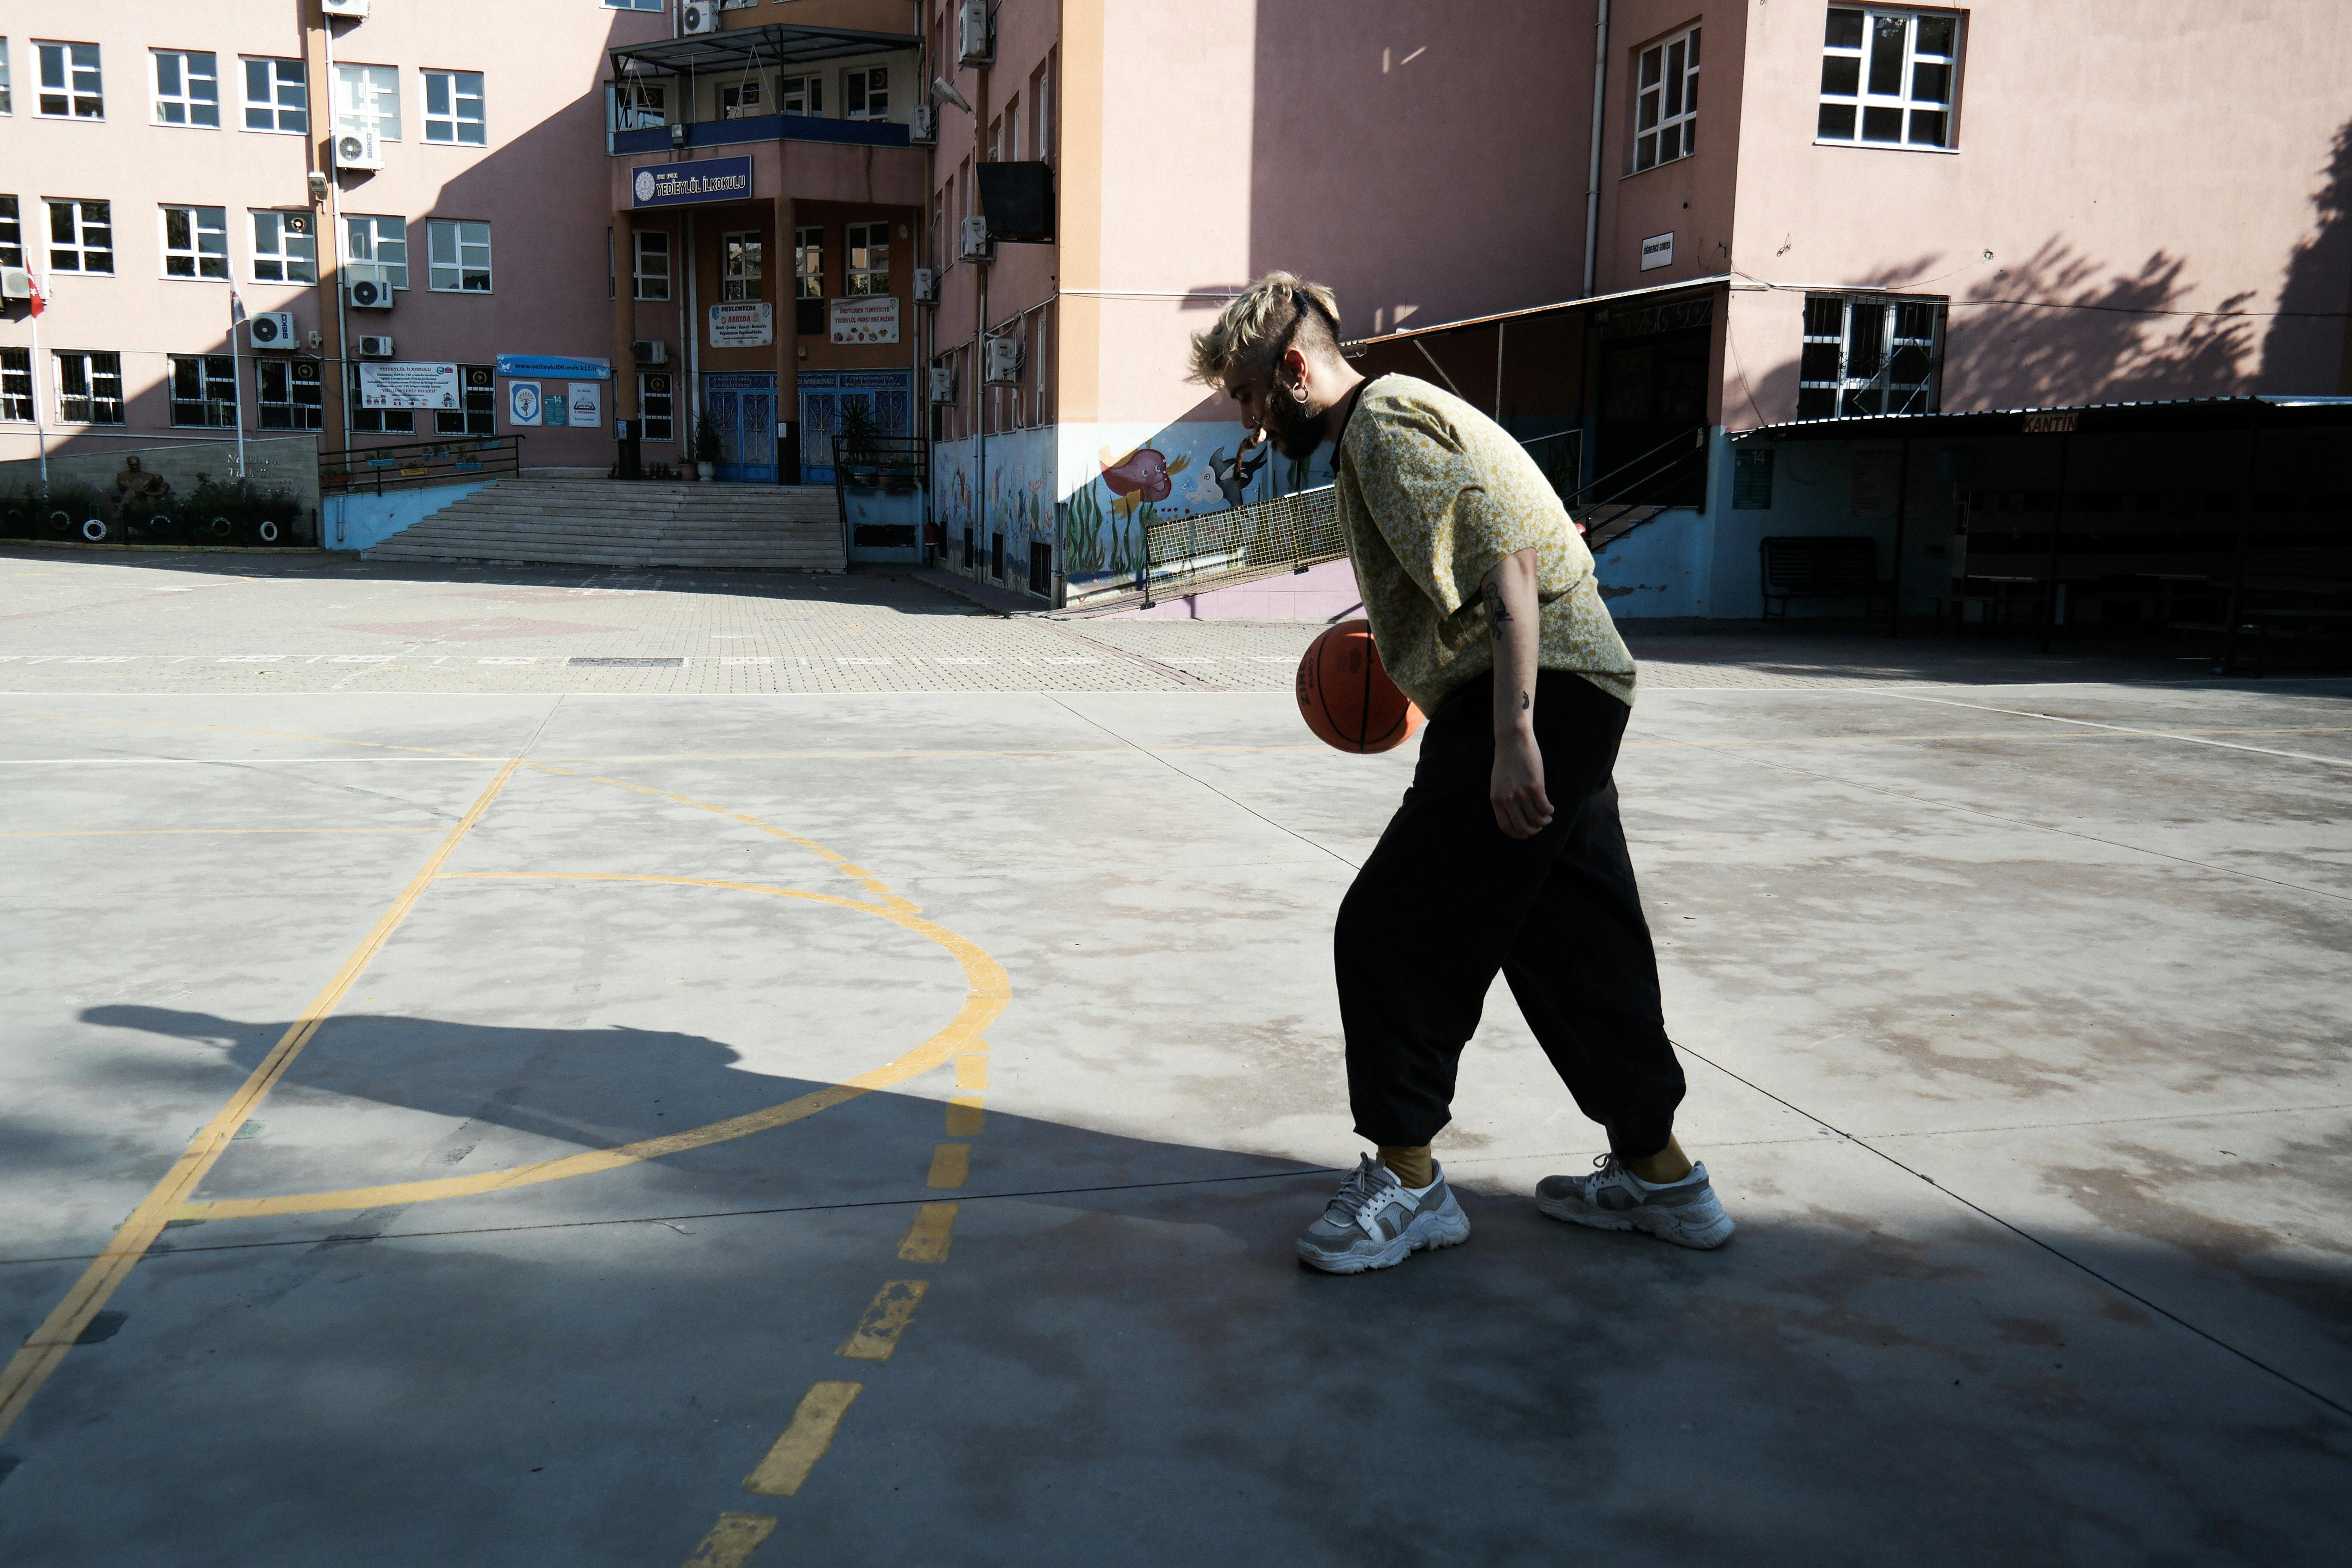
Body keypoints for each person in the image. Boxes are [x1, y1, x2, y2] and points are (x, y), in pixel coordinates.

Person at [1186, 273, 1734, 1273]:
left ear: (1295, 370)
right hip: (1574, 684)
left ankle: (1408, 1182)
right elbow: (1519, 543)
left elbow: (1509, 567)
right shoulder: (1401, 414)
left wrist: (1514, 735)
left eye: (1251, 395)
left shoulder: (1381, 427)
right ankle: (1664, 1179)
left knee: (1392, 928)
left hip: (1527, 697)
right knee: (1572, 940)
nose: (1251, 421)